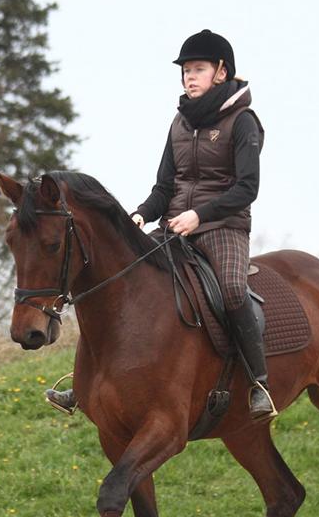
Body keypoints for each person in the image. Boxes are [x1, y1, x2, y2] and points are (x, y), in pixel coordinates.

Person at [47, 29, 275, 422]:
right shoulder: (180, 123)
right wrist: (140, 213)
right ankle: (84, 383)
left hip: (224, 228)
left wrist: (200, 215)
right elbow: (164, 187)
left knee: (234, 290)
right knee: (123, 280)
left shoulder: (243, 122)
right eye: (186, 70)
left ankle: (258, 383)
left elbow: (247, 188)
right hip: (175, 226)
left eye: (198, 69)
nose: (189, 76)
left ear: (221, 72)